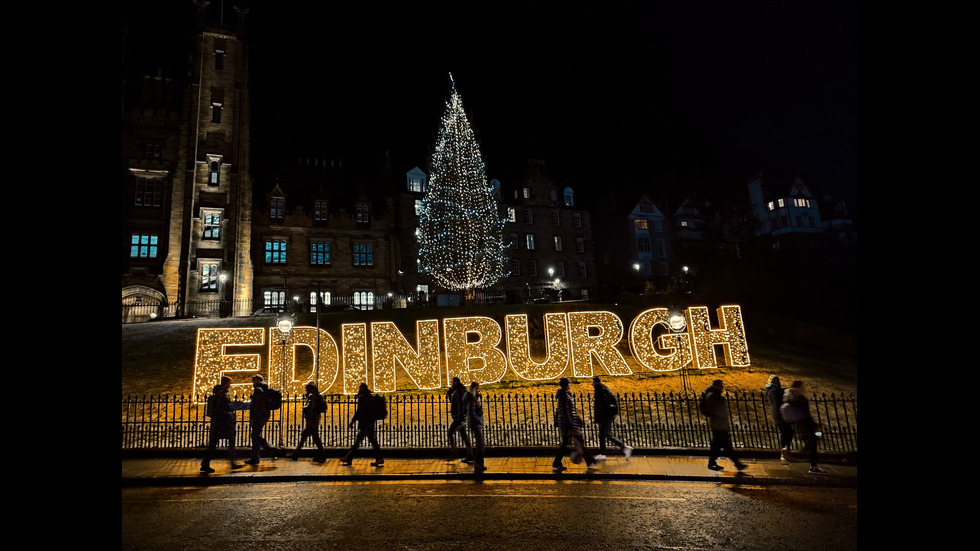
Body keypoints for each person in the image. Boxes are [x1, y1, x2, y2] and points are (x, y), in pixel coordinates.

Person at [700, 379, 747, 471]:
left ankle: (712, 462)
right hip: (718, 424)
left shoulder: (714, 395)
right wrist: (718, 416)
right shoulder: (713, 396)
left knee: (717, 446)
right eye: (721, 385)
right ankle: (737, 464)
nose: (722, 387)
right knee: (727, 446)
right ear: (716, 385)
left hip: (719, 424)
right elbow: (712, 410)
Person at [201, 376, 244, 473]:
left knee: (212, 445)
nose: (230, 385)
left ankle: (205, 463)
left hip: (217, 423)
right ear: (226, 383)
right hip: (224, 423)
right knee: (231, 443)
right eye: (229, 383)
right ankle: (233, 463)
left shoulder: (217, 394)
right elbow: (225, 407)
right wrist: (235, 406)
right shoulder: (223, 394)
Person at [783, 380, 827, 475]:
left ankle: (803, 456)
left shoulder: (791, 398)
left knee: (812, 444)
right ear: (798, 388)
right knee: (813, 444)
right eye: (802, 387)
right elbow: (806, 415)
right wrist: (814, 425)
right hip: (807, 426)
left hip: (800, 426)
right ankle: (813, 467)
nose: (804, 389)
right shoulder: (801, 399)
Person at [553, 377, 596, 471]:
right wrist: (572, 423)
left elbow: (561, 411)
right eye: (569, 384)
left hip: (566, 423)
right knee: (578, 442)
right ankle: (590, 461)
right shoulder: (564, 396)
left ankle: (557, 463)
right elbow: (567, 412)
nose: (570, 386)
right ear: (567, 385)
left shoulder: (563, 396)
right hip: (568, 424)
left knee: (569, 443)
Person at [342, 383, 384, 467]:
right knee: (365, 441)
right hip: (369, 423)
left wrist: (352, 421)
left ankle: (349, 458)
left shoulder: (363, 398)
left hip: (366, 423)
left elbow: (359, 411)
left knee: (365, 441)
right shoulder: (368, 397)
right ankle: (349, 458)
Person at [592, 376, 633, 461]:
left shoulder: (601, 390)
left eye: (593, 382)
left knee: (607, 434)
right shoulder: (603, 389)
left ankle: (624, 447)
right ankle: (602, 454)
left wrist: (601, 416)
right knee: (603, 435)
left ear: (596, 383)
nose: (592, 384)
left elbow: (602, 405)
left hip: (605, 417)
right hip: (605, 416)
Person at [288, 381, 327, 463]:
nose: (306, 389)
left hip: (312, 419)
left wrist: (305, 409)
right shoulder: (315, 395)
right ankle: (296, 453)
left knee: (310, 436)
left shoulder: (312, 396)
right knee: (310, 436)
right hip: (314, 418)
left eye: (307, 388)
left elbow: (310, 408)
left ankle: (297, 454)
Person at [245, 375, 278, 465]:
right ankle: (255, 457)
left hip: (258, 416)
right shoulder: (265, 389)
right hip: (264, 414)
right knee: (255, 435)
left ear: (259, 380)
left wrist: (252, 418)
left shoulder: (258, 389)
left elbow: (255, 405)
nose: (253, 382)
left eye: (254, 380)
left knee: (255, 435)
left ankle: (271, 449)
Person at [446, 377, 475, 463]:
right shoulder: (457, 390)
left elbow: (460, 405)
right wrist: (449, 394)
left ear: (456, 382)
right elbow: (454, 402)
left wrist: (460, 417)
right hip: (459, 417)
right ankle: (470, 455)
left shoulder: (459, 391)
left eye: (453, 382)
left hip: (459, 418)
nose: (451, 383)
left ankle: (454, 453)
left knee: (450, 433)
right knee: (464, 436)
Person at [764, 375, 793, 461]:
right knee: (786, 433)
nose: (778, 381)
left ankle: (785, 451)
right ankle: (784, 452)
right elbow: (778, 403)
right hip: (781, 415)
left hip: (778, 415)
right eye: (776, 380)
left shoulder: (772, 390)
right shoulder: (774, 391)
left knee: (787, 433)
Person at [461, 381, 487, 472]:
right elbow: (472, 412)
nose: (479, 390)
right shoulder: (471, 398)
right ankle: (479, 464)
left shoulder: (472, 398)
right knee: (480, 444)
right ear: (474, 389)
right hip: (476, 423)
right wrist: (477, 419)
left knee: (480, 443)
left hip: (475, 423)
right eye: (478, 388)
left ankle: (479, 463)